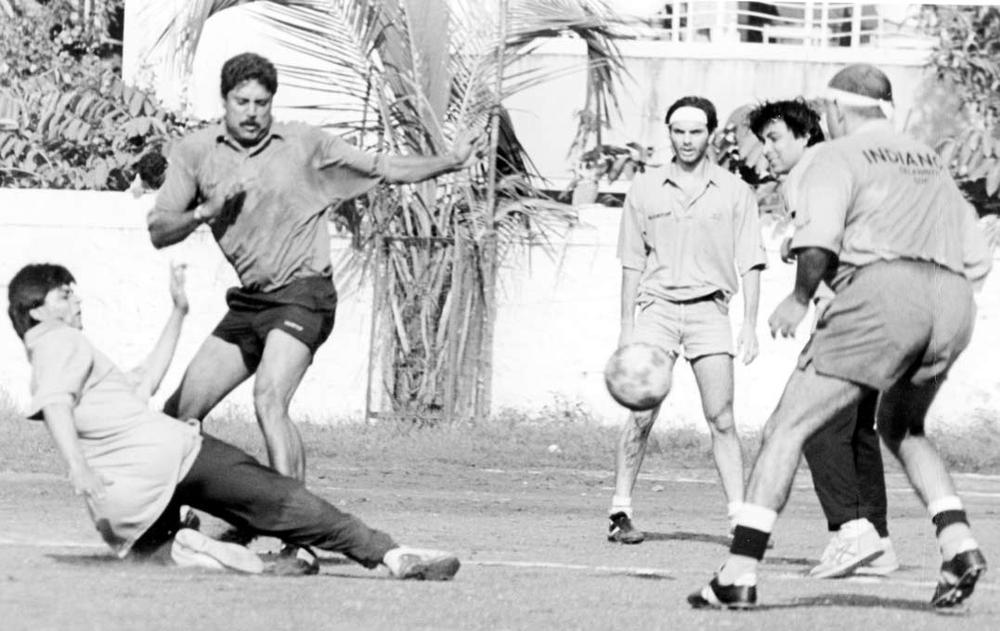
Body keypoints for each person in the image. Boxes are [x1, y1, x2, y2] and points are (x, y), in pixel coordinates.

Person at [146, 52, 481, 571]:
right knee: (176, 416)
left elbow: (385, 168)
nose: (253, 112)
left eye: (262, 102)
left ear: (272, 104)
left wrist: (451, 161)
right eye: (243, 102)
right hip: (252, 300)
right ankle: (167, 529)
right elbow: (159, 229)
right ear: (225, 102)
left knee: (269, 400)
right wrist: (203, 214)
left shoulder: (304, 145)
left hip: (304, 293)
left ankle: (296, 544)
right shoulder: (194, 153)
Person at [689, 64, 992, 610]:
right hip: (954, 301)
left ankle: (738, 571)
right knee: (901, 428)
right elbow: (976, 252)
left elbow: (821, 240)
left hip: (882, 294)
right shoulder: (929, 161)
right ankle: (958, 543)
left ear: (833, 111)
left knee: (787, 427)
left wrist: (800, 297)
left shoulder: (833, 156)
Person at [8, 262, 461, 581]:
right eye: (65, 294)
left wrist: (178, 313)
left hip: (122, 510)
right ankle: (392, 553)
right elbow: (55, 403)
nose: (77, 299)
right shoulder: (58, 342)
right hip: (173, 458)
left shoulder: (55, 352)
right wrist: (77, 467)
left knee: (159, 554)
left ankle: (194, 550)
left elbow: (143, 380)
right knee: (285, 503)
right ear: (36, 311)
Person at [747, 98, 897, 579]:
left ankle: (851, 533)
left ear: (805, 136)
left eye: (774, 139)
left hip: (853, 314)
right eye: (762, 141)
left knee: (810, 425)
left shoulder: (812, 168)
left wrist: (798, 297)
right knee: (855, 430)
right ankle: (878, 542)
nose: (766, 150)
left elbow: (822, 243)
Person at [609, 95, 767, 544]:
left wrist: (750, 324)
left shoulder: (735, 191)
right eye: (678, 131)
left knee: (721, 417)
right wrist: (626, 326)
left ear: (711, 134)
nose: (686, 140)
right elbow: (631, 262)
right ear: (670, 134)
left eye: (695, 131)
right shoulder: (645, 187)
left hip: (709, 312)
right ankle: (620, 511)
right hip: (656, 310)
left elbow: (751, 261)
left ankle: (741, 520)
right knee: (642, 412)